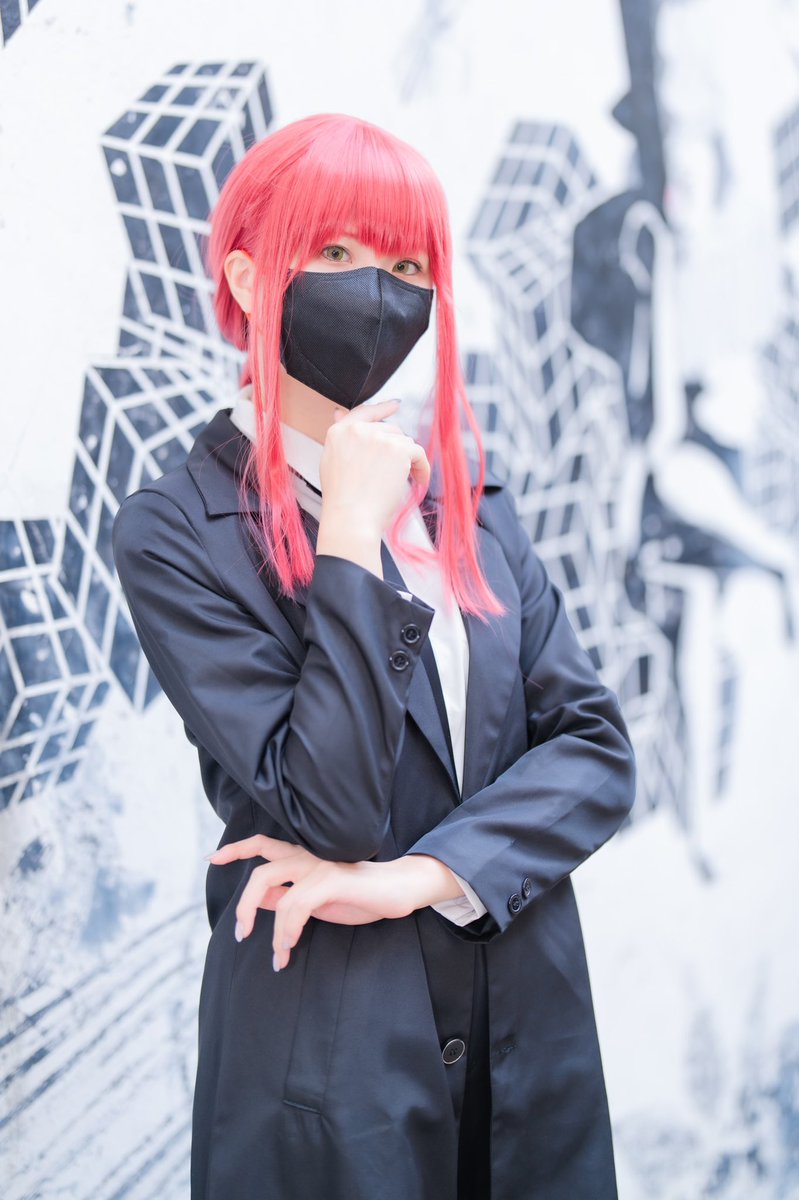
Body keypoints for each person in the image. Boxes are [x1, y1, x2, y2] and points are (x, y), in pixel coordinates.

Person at [111, 112, 637, 1200]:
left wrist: (417, 880)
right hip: (331, 1063)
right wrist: (349, 535)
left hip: (527, 1042)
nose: (380, 294)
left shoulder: (468, 503)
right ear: (251, 279)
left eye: (407, 266)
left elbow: (593, 752)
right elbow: (332, 807)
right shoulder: (177, 532)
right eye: (338, 252)